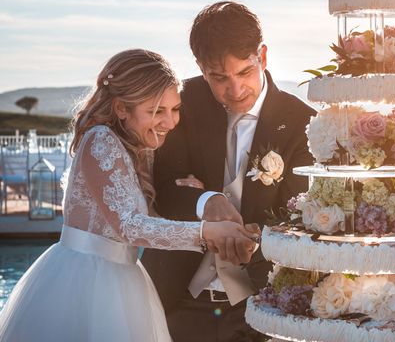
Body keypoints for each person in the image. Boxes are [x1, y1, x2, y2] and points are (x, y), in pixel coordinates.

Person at [0, 49, 258, 342]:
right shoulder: (101, 141)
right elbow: (128, 226)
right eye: (156, 111)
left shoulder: (135, 145)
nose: (171, 122)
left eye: (175, 109)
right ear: (122, 108)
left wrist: (185, 194)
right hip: (87, 282)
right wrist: (206, 232)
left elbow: (136, 211)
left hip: (123, 276)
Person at [141, 2, 316, 342]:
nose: (234, 90)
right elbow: (163, 189)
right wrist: (206, 200)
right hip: (175, 299)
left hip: (261, 305)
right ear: (200, 67)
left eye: (244, 73)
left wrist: (251, 239)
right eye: (218, 78)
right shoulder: (181, 103)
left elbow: (300, 214)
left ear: (262, 57)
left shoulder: (303, 124)